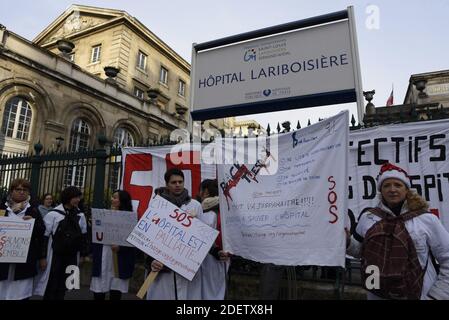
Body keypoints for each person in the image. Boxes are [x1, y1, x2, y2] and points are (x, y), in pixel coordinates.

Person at [346, 162, 449, 300]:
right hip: (377, 294)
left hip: (420, 294)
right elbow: (360, 252)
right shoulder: (368, 217)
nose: (392, 189)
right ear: (380, 190)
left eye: (398, 185)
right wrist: (347, 242)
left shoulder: (426, 219)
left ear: (407, 190)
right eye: (386, 185)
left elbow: (447, 258)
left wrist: (438, 295)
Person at [147, 168, 204, 300]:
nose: (177, 184)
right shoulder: (157, 204)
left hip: (187, 265)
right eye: (173, 182)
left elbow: (202, 236)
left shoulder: (195, 205)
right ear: (167, 184)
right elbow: (149, 235)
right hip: (162, 266)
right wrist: (151, 260)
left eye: (180, 181)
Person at [34, 186, 89, 300]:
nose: (78, 200)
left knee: (64, 285)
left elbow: (83, 237)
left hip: (71, 255)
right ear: (68, 197)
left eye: (79, 197)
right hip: (55, 255)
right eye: (75, 197)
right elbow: (45, 237)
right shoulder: (53, 214)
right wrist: (42, 257)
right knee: (51, 284)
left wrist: (83, 255)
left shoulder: (80, 215)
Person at [0, 179, 46, 300]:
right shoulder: (1, 208)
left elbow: (42, 234)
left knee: (20, 294)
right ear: (11, 191)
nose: (21, 192)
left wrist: (33, 223)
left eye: (24, 190)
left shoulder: (33, 210)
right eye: (18, 189)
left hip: (24, 261)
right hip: (2, 260)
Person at [90, 190, 136, 300]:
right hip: (104, 253)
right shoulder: (103, 214)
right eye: (112, 197)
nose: (112, 199)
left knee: (116, 288)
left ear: (122, 201)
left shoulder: (129, 218)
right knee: (99, 288)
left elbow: (132, 240)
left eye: (115, 198)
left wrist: (121, 247)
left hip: (119, 257)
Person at [198, 179, 230, 300]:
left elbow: (203, 237)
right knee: (218, 289)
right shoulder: (225, 208)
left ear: (205, 192)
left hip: (211, 258)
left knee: (209, 291)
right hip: (224, 255)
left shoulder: (207, 212)